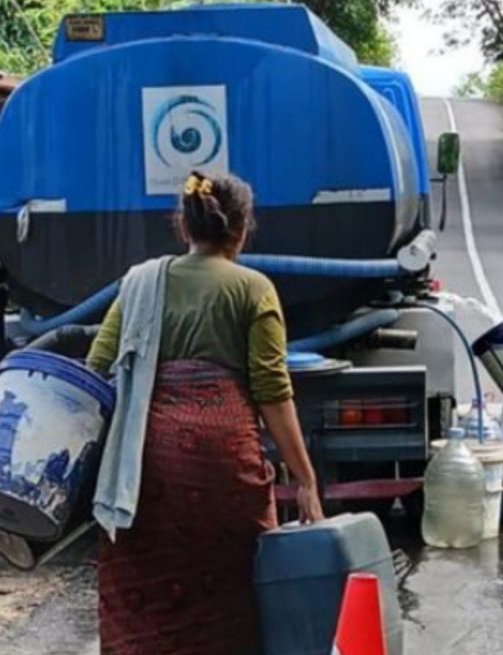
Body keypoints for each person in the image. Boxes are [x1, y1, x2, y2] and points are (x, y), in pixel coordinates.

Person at [86, 170, 324, 655]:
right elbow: (272, 393)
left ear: (183, 227)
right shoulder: (254, 289)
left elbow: (96, 369)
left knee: (146, 587)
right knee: (233, 590)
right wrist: (305, 478)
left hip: (144, 465)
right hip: (223, 464)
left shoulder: (138, 284)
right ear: (241, 230)